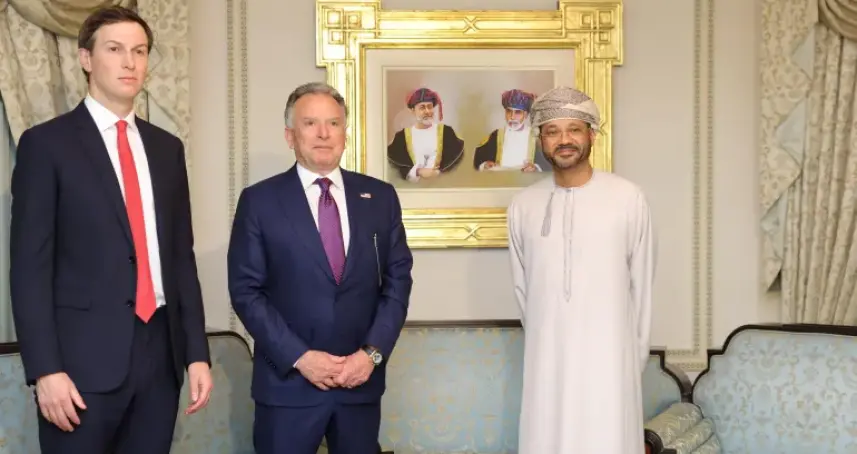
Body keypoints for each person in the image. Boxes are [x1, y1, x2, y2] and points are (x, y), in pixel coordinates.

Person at [9, 6, 212, 454]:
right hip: (78, 366)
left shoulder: (167, 149)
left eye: (139, 51)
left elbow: (181, 258)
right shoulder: (46, 145)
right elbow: (29, 269)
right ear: (86, 58)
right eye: (115, 49)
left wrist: (197, 353)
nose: (129, 62)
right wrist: (45, 370)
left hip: (160, 358)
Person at [227, 81, 414, 454]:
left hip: (358, 383)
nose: (324, 134)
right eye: (310, 123)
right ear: (290, 135)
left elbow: (397, 283)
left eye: (334, 123)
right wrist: (301, 358)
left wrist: (371, 355)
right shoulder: (259, 201)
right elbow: (246, 292)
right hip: (288, 388)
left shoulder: (380, 197)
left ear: (345, 134)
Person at [506, 86, 657, 454]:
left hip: (611, 361)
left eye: (574, 129)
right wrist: (549, 337)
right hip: (547, 362)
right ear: (540, 141)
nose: (564, 140)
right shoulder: (523, 206)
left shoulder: (627, 198)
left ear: (592, 135)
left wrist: (630, 362)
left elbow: (642, 287)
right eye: (553, 132)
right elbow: (524, 292)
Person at [386, 87, 465, 182]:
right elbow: (395, 167)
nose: (427, 111)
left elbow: (456, 162)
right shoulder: (401, 137)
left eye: (430, 107)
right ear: (413, 110)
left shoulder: (447, 133)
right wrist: (418, 171)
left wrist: (438, 173)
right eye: (422, 107)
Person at [473, 89, 550, 172]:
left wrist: (535, 167)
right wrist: (485, 164)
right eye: (509, 111)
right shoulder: (496, 135)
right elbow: (478, 158)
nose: (512, 117)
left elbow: (549, 163)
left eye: (517, 112)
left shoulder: (536, 137)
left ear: (526, 115)